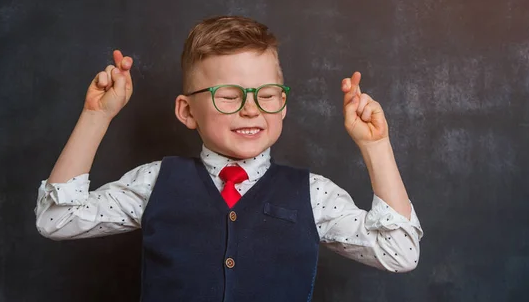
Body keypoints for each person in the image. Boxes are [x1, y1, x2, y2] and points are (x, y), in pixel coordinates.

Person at [35, 15, 423, 302]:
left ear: (283, 105)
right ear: (187, 111)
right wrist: (96, 116)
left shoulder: (313, 194)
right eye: (229, 95)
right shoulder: (154, 182)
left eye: (267, 94)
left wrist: (375, 146)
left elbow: (400, 253)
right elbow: (57, 220)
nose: (251, 109)